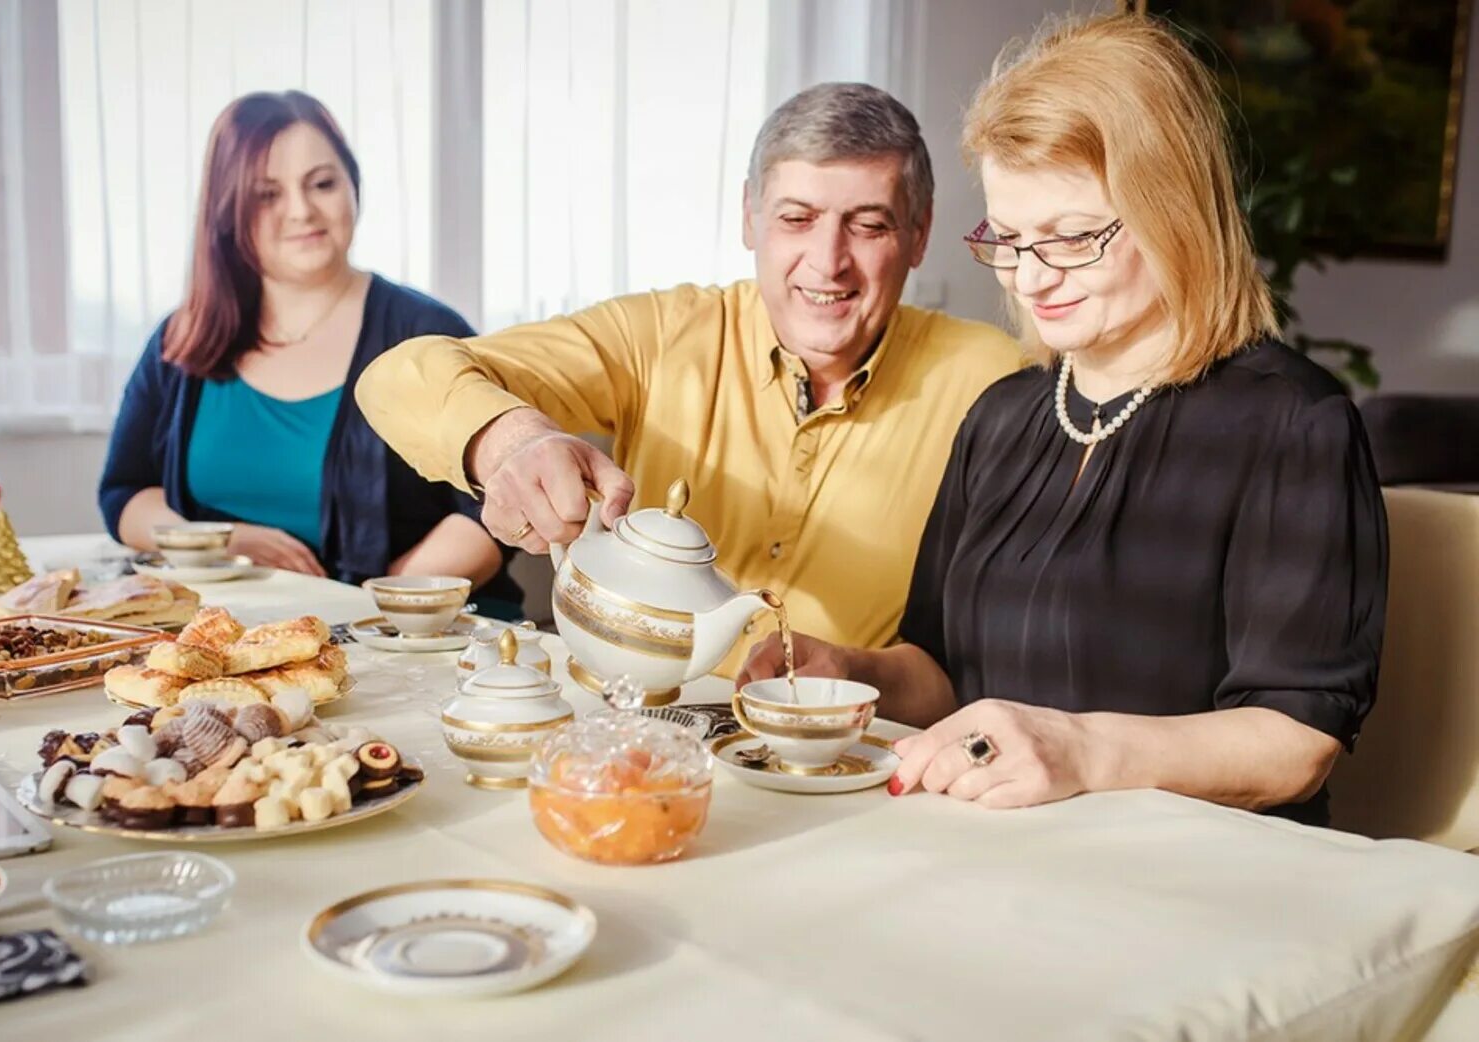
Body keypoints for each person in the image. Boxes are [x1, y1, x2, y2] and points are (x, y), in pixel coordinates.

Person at [737, 14, 1387, 826]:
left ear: (1173, 213)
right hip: (996, 852)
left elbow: (1297, 743)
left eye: (1073, 238)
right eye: (1008, 238)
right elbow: (942, 669)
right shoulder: (1004, 416)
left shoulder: (1293, 424)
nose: (1031, 276)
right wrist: (854, 670)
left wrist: (1079, 752)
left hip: (1193, 877)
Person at [356, 83, 1021, 677]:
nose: (829, 262)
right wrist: (512, 444)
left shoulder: (993, 377)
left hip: (841, 760)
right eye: (796, 218)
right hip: (618, 724)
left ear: (919, 234)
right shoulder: (661, 334)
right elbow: (397, 375)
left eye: (869, 225)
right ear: (749, 217)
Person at [98, 91, 521, 612]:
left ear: (353, 186)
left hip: (408, 634)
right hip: (232, 633)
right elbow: (125, 492)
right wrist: (218, 542)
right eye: (267, 194)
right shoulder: (180, 339)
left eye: (322, 184)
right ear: (228, 211)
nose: (301, 211)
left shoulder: (428, 333)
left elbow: (493, 510)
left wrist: (365, 609)